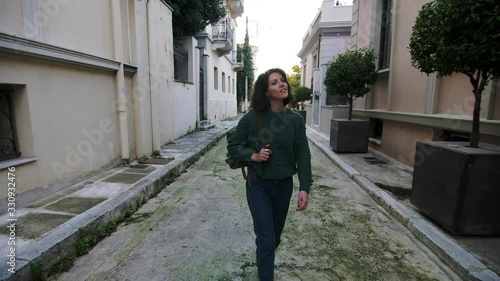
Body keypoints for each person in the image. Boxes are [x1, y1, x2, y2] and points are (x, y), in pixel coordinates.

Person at [227, 68, 312, 280]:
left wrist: (304, 187)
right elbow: (234, 146)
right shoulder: (251, 118)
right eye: (275, 82)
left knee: (274, 237)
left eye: (283, 81)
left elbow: (303, 155)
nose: (282, 84)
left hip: (284, 186)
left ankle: (264, 264)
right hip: (258, 185)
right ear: (266, 91)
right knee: (265, 239)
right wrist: (253, 156)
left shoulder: (295, 120)